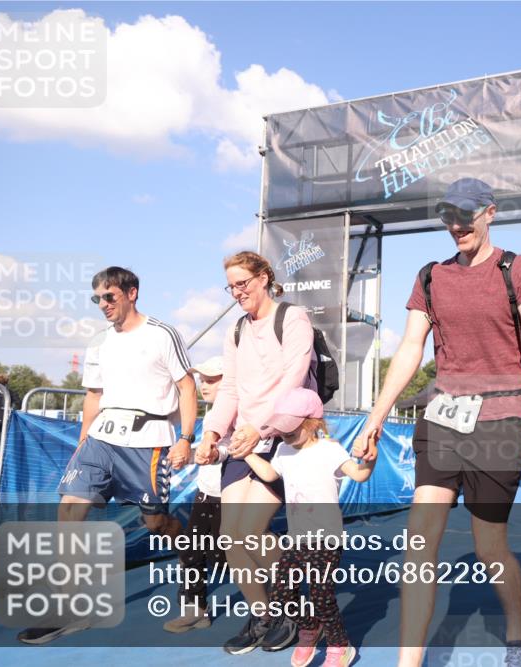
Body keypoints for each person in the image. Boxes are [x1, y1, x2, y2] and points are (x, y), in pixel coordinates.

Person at [352, 177, 521, 667]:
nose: (457, 225)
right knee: (419, 542)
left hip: (500, 425)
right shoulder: (430, 276)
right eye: (448, 215)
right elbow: (411, 348)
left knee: (489, 544)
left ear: (490, 213)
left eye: (466, 214)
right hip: (442, 421)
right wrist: (376, 415)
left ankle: (517, 631)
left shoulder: (519, 269)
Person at [19, 266, 198, 645]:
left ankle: (190, 558)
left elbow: (186, 386)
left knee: (156, 525)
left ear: (132, 293)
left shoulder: (163, 334)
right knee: (68, 510)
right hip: (101, 439)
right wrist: (82, 443)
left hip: (148, 442)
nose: (102, 304)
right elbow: (94, 395)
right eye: (97, 298)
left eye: (109, 296)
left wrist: (185, 437)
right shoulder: (99, 342)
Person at [194, 250, 317, 654]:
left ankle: (293, 605)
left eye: (243, 283)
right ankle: (264, 614)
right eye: (231, 286)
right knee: (232, 538)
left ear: (264, 277)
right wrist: (212, 432)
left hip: (282, 436)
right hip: (242, 441)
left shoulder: (292, 318)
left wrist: (258, 427)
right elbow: (228, 388)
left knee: (251, 531)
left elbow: (294, 377)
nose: (237, 292)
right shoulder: (235, 331)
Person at [245, 387, 374, 667]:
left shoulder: (330, 450)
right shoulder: (282, 449)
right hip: (296, 540)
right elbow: (269, 473)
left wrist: (370, 460)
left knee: (321, 595)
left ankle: (340, 646)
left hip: (325, 540)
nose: (285, 435)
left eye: (291, 429)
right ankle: (309, 628)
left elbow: (360, 475)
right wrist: (247, 454)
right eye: (282, 429)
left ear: (313, 423)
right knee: (281, 594)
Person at [163, 356, 227, 633]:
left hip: (232, 497)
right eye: (202, 379)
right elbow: (207, 456)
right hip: (206, 494)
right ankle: (196, 610)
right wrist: (186, 457)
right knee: (192, 552)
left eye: (212, 380)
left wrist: (214, 454)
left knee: (229, 557)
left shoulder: (240, 414)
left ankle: (280, 603)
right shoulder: (211, 415)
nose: (204, 385)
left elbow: (235, 452)